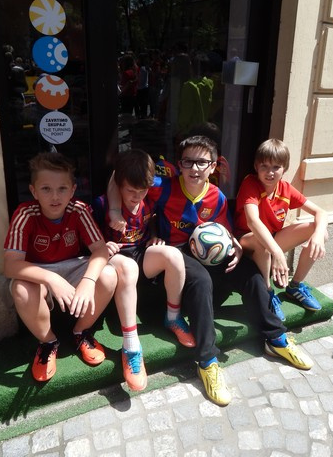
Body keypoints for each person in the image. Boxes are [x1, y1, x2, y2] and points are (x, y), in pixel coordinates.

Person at [109, 135, 314, 407]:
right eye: (188, 162)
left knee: (250, 272)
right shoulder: (164, 187)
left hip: (210, 250)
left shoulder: (216, 196)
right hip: (177, 254)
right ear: (179, 165)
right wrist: (115, 210)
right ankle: (207, 361)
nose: (194, 168)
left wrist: (236, 247)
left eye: (202, 162)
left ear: (213, 166)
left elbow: (225, 230)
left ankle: (276, 337)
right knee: (201, 280)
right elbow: (118, 177)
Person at [4, 152, 122, 384]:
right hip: (38, 270)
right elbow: (10, 265)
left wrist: (88, 281)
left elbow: (100, 250)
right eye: (46, 189)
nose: (55, 196)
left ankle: (80, 332)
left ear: (73, 190)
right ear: (34, 191)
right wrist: (52, 279)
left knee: (108, 275)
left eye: (62, 189)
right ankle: (48, 342)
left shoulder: (78, 209)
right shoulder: (25, 213)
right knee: (21, 290)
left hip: (72, 266)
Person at [92, 149, 195, 350]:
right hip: (116, 259)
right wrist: (101, 245)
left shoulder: (149, 200)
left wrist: (155, 234)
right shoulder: (103, 203)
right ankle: (131, 344)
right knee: (127, 266)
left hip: (141, 254)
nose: (137, 195)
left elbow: (152, 219)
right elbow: (88, 232)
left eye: (142, 190)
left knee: (173, 255)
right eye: (131, 190)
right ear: (119, 184)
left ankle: (173, 317)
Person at [234, 139, 328, 320]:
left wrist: (317, 236)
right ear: (256, 166)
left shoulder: (285, 189)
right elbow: (253, 222)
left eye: (276, 167)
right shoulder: (250, 184)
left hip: (271, 240)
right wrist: (277, 252)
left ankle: (295, 285)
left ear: (284, 169)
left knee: (321, 231)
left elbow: (321, 212)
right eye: (264, 166)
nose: (270, 172)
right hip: (246, 243)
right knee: (262, 241)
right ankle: (267, 292)